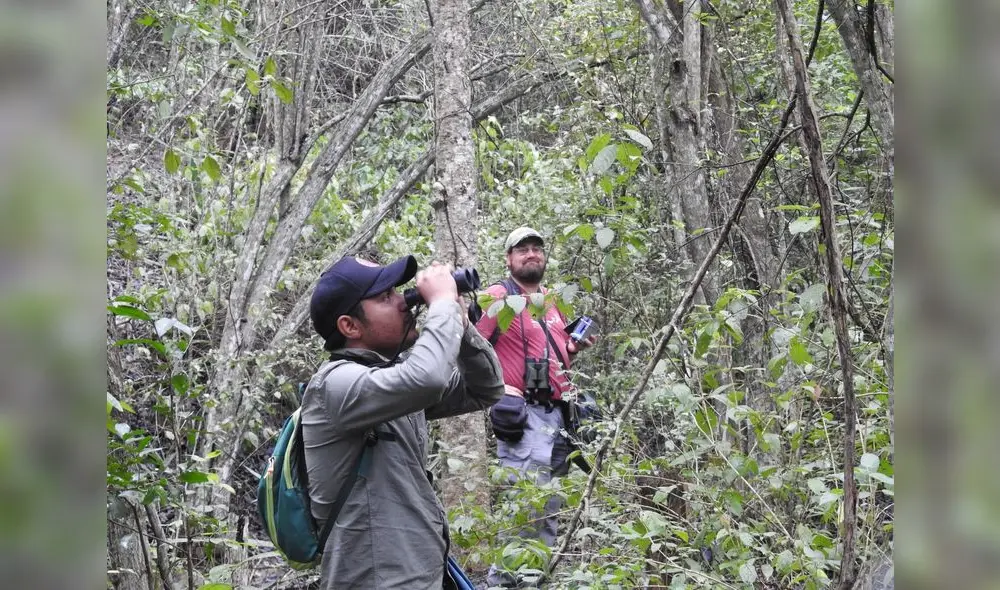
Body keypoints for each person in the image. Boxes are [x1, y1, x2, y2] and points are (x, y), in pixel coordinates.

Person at [301, 255, 505, 589]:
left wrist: (462, 326)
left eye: (399, 292)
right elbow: (427, 378)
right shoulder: (336, 385)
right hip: (376, 579)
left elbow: (485, 389)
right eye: (385, 297)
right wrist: (440, 304)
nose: (402, 302)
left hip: (421, 569)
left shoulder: (389, 381)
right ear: (349, 326)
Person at [474, 227, 597, 588]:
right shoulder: (497, 296)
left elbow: (554, 350)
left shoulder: (552, 299)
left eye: (537, 249)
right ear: (509, 258)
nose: (532, 255)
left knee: (548, 510)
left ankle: (531, 581)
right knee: (527, 510)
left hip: (561, 417)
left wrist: (574, 348)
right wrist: (497, 388)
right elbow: (470, 347)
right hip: (524, 415)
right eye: (522, 249)